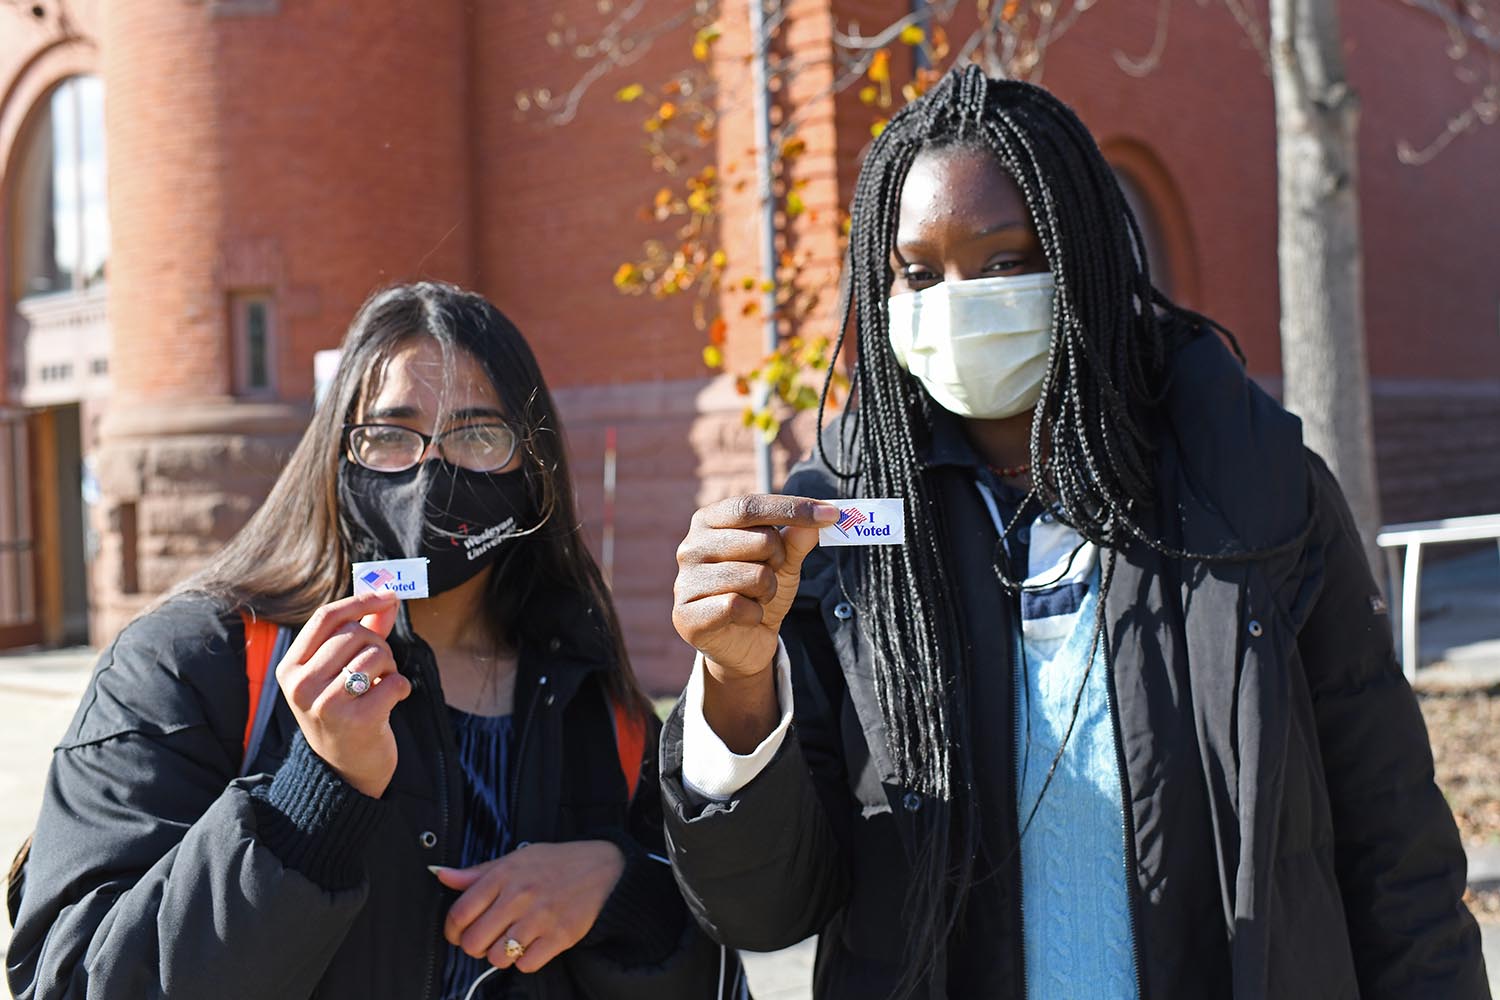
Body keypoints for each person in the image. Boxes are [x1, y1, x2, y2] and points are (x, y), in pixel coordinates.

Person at [662, 67, 1490, 999]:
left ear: (1083, 257)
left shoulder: (1252, 489)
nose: (959, 301)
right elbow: (766, 911)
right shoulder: (841, 541)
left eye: (1006, 261)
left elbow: (1398, 860)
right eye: (920, 275)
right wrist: (736, 684)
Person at [7, 282, 744, 999]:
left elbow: (717, 958)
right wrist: (318, 789)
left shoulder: (590, 699)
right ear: (336, 454)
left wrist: (619, 889)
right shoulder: (195, 665)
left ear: (533, 467)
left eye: (478, 434)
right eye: (389, 435)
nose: (431, 470)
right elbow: (73, 979)